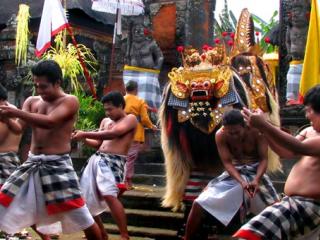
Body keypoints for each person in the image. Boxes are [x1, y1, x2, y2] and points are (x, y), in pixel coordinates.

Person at [0, 60, 101, 240]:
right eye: (37, 85)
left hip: (58, 165)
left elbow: (50, 122)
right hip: (32, 163)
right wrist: (6, 118)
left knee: (82, 216)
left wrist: (14, 112)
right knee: (4, 201)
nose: (39, 91)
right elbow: (18, 129)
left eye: (44, 86)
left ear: (57, 82)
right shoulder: (32, 101)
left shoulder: (70, 101)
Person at [233, 85, 320, 239]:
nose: (307, 116)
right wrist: (263, 129)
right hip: (293, 205)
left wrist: (265, 125)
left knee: (248, 236)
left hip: (307, 206)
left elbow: (297, 146)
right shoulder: (308, 131)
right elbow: (285, 151)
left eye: (309, 110)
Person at [184, 109, 279, 240]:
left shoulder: (257, 131)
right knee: (198, 203)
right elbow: (228, 163)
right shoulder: (220, 135)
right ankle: (187, 237)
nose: (234, 136)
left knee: (276, 209)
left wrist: (256, 179)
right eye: (230, 133)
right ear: (224, 129)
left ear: (244, 126)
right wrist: (242, 182)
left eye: (237, 132)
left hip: (256, 172)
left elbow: (264, 159)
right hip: (234, 173)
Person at [72, 91, 138, 240]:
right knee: (85, 200)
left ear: (120, 106)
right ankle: (101, 233)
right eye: (105, 109)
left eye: (110, 109)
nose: (107, 113)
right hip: (96, 161)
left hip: (114, 162)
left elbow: (114, 134)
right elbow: (98, 144)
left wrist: (85, 134)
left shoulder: (130, 119)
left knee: (109, 194)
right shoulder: (105, 121)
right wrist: (82, 139)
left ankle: (124, 235)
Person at [124, 80, 157, 188]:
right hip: (134, 132)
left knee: (124, 157)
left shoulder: (121, 99)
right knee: (130, 158)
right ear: (136, 90)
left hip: (121, 131)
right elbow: (144, 119)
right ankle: (126, 181)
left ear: (126, 89)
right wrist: (152, 126)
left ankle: (126, 181)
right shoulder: (139, 101)